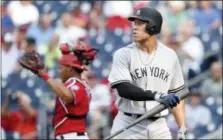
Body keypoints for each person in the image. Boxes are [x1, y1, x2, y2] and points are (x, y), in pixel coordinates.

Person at [108, 7, 189, 139]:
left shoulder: (170, 55)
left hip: (159, 125)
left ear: (153, 26)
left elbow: (178, 94)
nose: (135, 27)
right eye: (134, 23)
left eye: (140, 23)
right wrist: (156, 96)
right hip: (129, 123)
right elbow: (124, 89)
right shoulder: (123, 54)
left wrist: (182, 127)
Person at [19, 41, 98, 139]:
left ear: (69, 68)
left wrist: (44, 74)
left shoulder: (76, 84)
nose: (59, 71)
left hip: (71, 136)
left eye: (61, 68)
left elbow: (67, 96)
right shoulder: (78, 83)